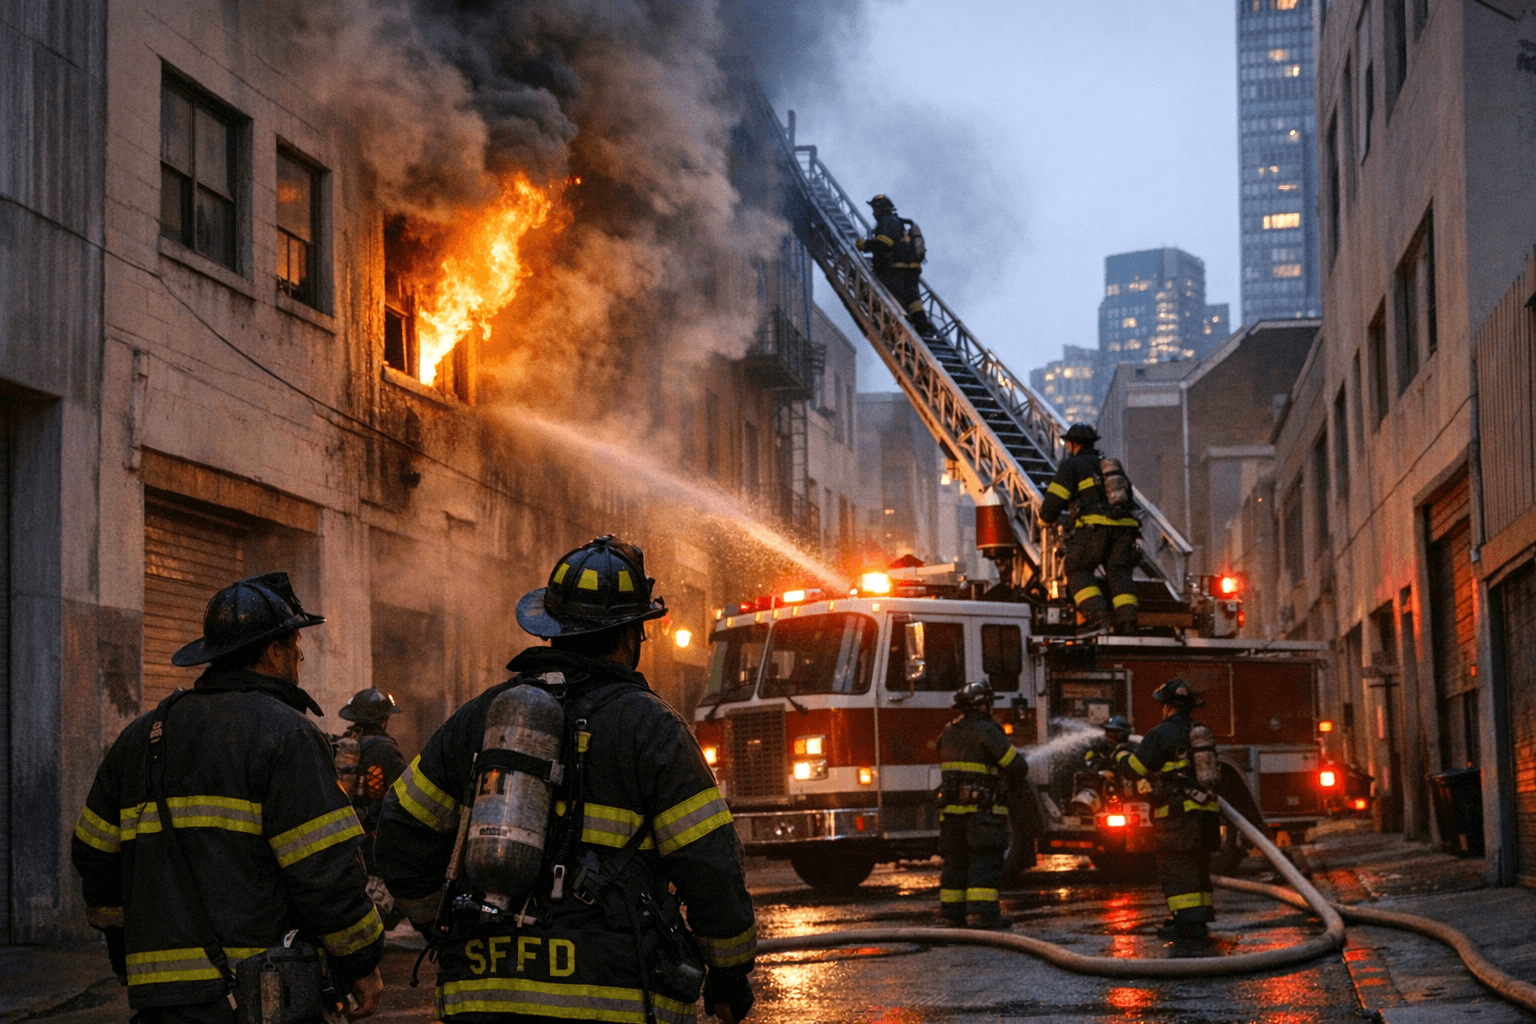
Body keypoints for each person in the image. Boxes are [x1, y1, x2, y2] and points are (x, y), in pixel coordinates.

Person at [375, 536, 757, 1024]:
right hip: (614, 997)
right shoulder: (652, 728)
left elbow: (400, 834)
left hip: (482, 992)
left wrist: (444, 926)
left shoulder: (482, 717)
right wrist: (728, 974)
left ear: (551, 629)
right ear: (631, 634)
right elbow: (711, 866)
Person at [71, 572, 385, 1023]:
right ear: (274, 651)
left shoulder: (140, 737)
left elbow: (95, 857)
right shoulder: (287, 735)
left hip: (160, 1004)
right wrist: (362, 961)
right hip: (262, 996)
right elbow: (325, 870)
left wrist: (130, 956)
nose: (300, 655)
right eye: (295, 645)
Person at [1116, 678, 1220, 939]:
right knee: (1198, 865)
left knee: (1175, 866)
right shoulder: (1199, 730)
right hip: (1205, 812)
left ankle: (1187, 921)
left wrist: (1120, 754)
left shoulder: (1160, 733)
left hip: (1177, 816)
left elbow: (1134, 769)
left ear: (1169, 706)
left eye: (1162, 704)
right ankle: (1199, 916)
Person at [936, 680, 1029, 929]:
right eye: (990, 703)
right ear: (982, 705)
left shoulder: (948, 731)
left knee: (955, 862)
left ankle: (952, 914)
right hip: (982, 813)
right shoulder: (987, 730)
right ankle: (985, 915)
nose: (992, 708)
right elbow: (1017, 766)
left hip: (952, 813)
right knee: (985, 861)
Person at [1037, 423, 1141, 635]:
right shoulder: (1109, 466)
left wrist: (1045, 519)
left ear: (1073, 444)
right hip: (1125, 527)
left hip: (1095, 526)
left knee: (1077, 568)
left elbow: (1056, 496)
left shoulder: (1072, 465)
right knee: (1118, 572)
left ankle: (1099, 618)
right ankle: (1128, 623)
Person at [336, 688, 409, 927]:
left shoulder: (341, 744)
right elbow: (401, 795)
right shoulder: (386, 749)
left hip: (343, 829)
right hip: (374, 833)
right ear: (383, 719)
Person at [855, 194, 935, 336]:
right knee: (914, 300)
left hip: (895, 270)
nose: (873, 213)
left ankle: (903, 332)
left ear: (879, 209)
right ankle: (922, 327)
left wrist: (864, 245)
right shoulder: (900, 223)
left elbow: (883, 245)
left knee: (896, 302)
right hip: (912, 269)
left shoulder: (886, 222)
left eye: (874, 209)